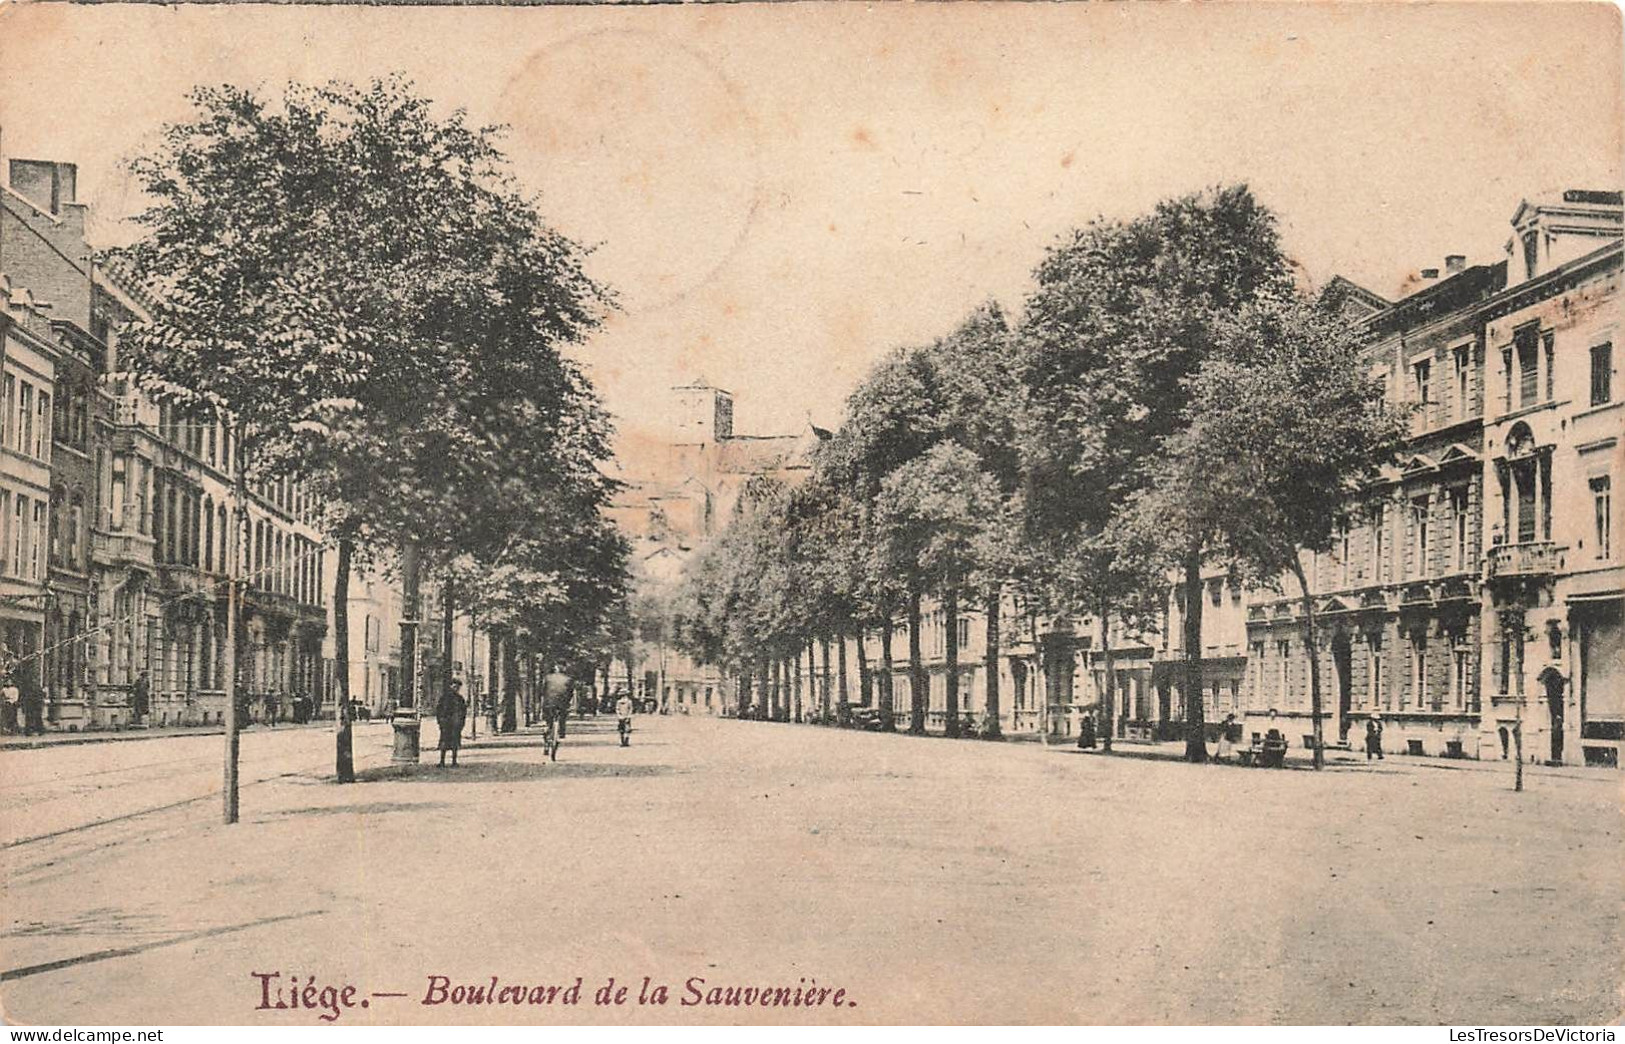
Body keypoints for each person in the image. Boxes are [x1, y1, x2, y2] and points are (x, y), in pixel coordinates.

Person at [437, 679, 468, 768]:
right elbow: (439, 710)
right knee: (444, 743)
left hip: (456, 724)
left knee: (455, 743)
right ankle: (442, 761)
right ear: (450, 686)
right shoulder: (444, 698)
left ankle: (454, 761)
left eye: (457, 687)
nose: (456, 689)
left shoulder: (460, 699)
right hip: (446, 724)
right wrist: (440, 722)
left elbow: (463, 712)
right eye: (454, 687)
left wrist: (461, 723)